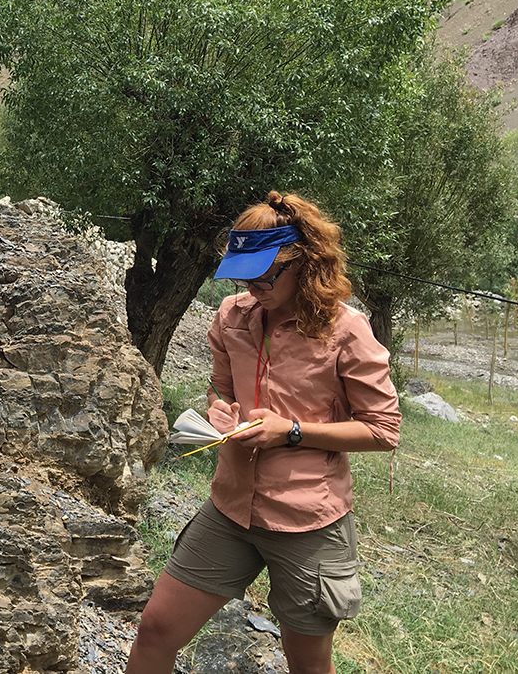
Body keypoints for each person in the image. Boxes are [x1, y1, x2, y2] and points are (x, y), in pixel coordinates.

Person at [125, 191, 400, 674]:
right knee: (155, 629)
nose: (254, 284)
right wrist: (220, 414)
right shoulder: (232, 314)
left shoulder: (347, 330)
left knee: (307, 665)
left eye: (268, 273)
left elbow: (382, 430)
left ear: (306, 262)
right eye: (244, 272)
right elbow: (220, 387)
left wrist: (291, 431)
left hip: (307, 521)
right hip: (230, 508)